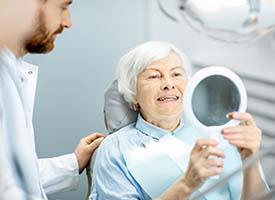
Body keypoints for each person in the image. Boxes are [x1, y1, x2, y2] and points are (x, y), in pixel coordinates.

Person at [90, 41, 269, 200]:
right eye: (154, 76)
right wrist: (186, 185)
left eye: (176, 74)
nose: (169, 84)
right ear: (133, 95)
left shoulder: (222, 135)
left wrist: (250, 160)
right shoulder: (115, 149)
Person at [0, 0, 105, 199]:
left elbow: (15, 176)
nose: (68, 22)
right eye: (63, 7)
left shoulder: (11, 71)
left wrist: (73, 163)